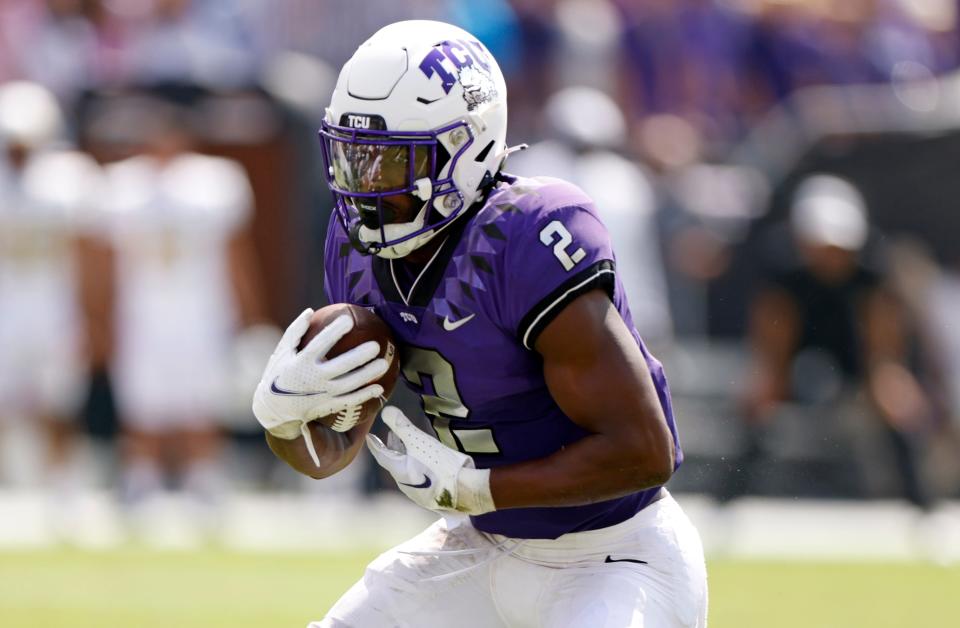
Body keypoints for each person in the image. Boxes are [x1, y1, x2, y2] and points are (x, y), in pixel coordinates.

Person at [252, 20, 707, 627]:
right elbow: (325, 455)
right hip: (474, 544)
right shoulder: (354, 245)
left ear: (467, 147)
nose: (366, 193)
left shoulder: (528, 236)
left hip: (613, 555)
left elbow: (646, 450)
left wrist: (481, 489)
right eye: (353, 161)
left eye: (389, 168)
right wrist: (282, 420)